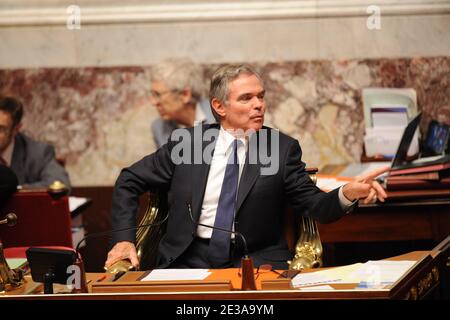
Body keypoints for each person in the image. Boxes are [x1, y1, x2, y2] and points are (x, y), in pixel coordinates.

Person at [105, 64, 388, 270]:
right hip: (185, 262)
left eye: (261, 96)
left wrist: (347, 193)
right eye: (246, 98)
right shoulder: (188, 143)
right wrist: (123, 240)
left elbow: (315, 205)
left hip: (255, 262)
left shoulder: (280, 149)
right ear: (220, 106)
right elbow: (129, 179)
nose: (259, 106)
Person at [0, 95, 71, 190]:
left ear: (16, 130)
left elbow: (60, 185)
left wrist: (10, 191)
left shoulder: (38, 153)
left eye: (1, 129)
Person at [150, 58, 216, 148]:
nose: (153, 102)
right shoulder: (159, 128)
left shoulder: (219, 116)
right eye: (153, 94)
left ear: (185, 95)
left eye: (158, 95)